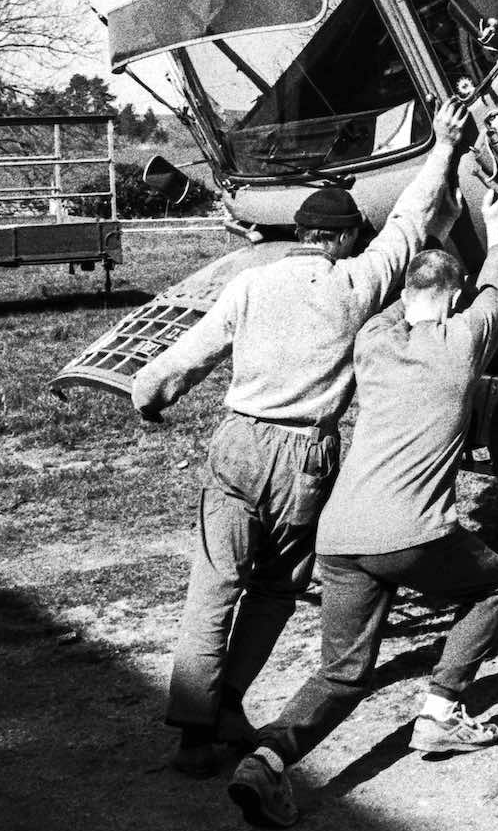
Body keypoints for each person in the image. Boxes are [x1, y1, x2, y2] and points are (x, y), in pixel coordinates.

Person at [132, 99, 469, 777]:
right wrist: (444, 144)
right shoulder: (358, 283)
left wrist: (151, 394)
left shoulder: (250, 283)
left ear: (302, 232)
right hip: (306, 456)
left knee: (213, 588)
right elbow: (410, 218)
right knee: (274, 592)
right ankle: (230, 701)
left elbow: (189, 356)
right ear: (341, 240)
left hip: (239, 442)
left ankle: (196, 733)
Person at [226, 175, 498, 829]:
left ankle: (268, 759)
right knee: (496, 583)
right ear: (455, 298)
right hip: (413, 533)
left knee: (342, 672)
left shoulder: (373, 341)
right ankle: (441, 710)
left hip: (339, 536)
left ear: (405, 296)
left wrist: (432, 237)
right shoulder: (462, 343)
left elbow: (405, 299)